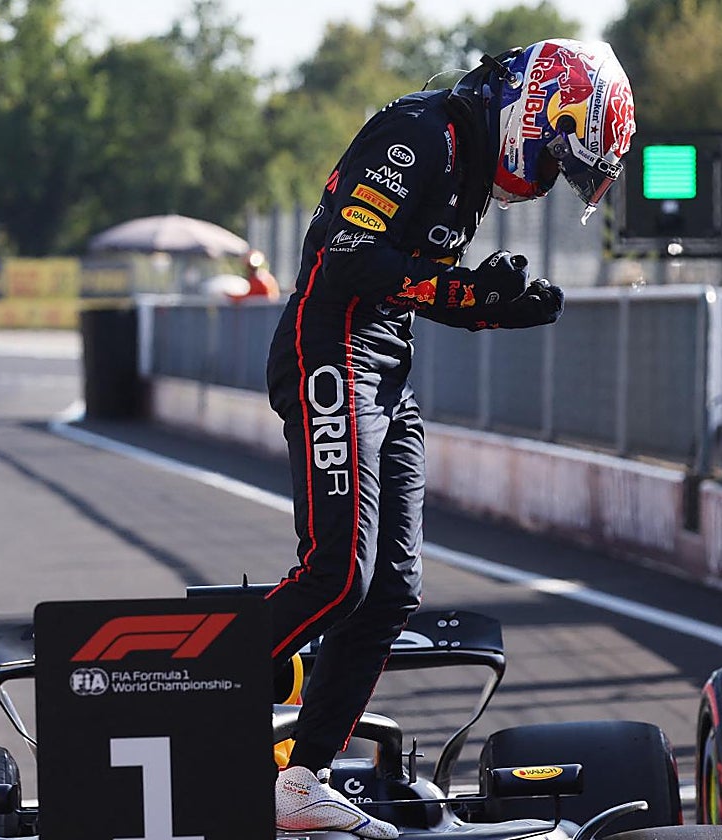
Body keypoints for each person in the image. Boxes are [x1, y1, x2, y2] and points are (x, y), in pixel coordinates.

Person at [262, 40, 635, 835]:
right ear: (538, 111)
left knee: (392, 588)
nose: (549, 178)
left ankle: (301, 780)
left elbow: (413, 289)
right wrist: (464, 289)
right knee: (337, 574)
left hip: (385, 366)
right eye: (558, 158)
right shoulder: (420, 134)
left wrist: (496, 306)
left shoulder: (468, 171)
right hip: (331, 351)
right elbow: (351, 259)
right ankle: (186, 683)